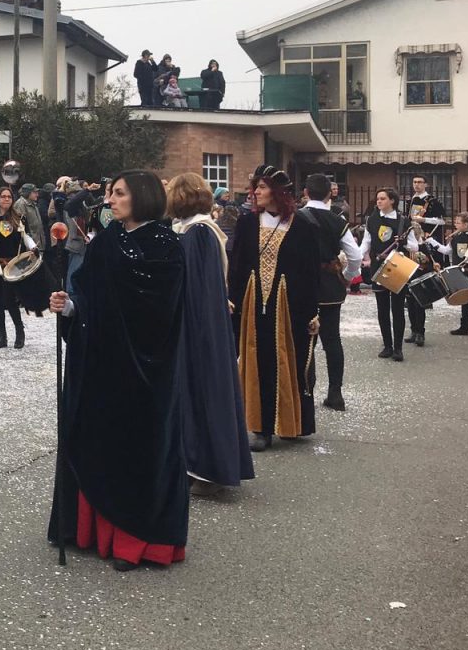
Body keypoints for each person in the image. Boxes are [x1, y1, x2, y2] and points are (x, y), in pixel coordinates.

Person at [47, 170, 187, 570]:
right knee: (95, 439)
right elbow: (91, 297)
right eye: (110, 193)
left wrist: (101, 315)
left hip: (144, 370)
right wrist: (70, 306)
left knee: (138, 448)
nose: (111, 199)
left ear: (142, 196)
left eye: (120, 193)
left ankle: (137, 539)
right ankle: (89, 530)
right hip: (99, 364)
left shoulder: (167, 248)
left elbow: (158, 313)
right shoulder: (107, 241)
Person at [166, 173, 254, 496]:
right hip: (202, 321)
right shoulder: (195, 230)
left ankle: (205, 467)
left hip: (198, 325)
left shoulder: (199, 233)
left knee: (201, 388)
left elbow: (197, 287)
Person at [229, 165, 320, 451]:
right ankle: (262, 427)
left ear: (278, 193)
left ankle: (291, 423)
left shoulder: (303, 225)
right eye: (256, 187)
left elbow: (310, 271)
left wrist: (312, 310)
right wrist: (232, 297)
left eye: (262, 187)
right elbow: (238, 263)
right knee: (258, 360)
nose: (255, 192)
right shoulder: (246, 223)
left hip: (289, 304)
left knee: (289, 360)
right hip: (254, 302)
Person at [300, 174, 363, 411]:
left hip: (303, 287)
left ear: (306, 192)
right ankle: (335, 394)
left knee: (306, 342)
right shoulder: (337, 220)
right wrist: (346, 278)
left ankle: (307, 392)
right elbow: (355, 256)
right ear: (329, 194)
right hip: (329, 288)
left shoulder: (295, 218)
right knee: (332, 340)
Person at [359, 187, 421, 362]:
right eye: (378, 198)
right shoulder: (372, 219)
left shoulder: (403, 221)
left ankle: (398, 348)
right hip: (378, 266)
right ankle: (387, 345)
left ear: (392, 201)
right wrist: (356, 257)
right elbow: (366, 242)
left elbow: (415, 246)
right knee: (382, 309)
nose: (379, 201)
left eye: (383, 199)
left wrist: (404, 243)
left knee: (397, 309)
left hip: (396, 267)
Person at [0, 186, 38, 350]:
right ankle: (2, 336)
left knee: (10, 300)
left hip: (13, 265)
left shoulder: (19, 219)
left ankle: (20, 333)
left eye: (9, 197)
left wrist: (33, 248)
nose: (6, 199)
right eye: (3, 197)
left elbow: (26, 237)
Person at [424, 213, 468, 337]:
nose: (455, 224)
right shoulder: (456, 238)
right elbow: (445, 250)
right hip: (461, 273)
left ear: (466, 224)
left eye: (458, 222)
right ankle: (465, 327)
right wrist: (431, 240)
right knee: (465, 299)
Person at [403, 175, 445, 346]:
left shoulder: (432, 201)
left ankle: (421, 332)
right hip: (410, 247)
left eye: (420, 182)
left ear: (426, 184)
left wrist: (423, 220)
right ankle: (413, 330)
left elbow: (442, 220)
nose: (417, 185)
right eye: (414, 182)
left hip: (425, 247)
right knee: (409, 293)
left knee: (419, 291)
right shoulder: (411, 200)